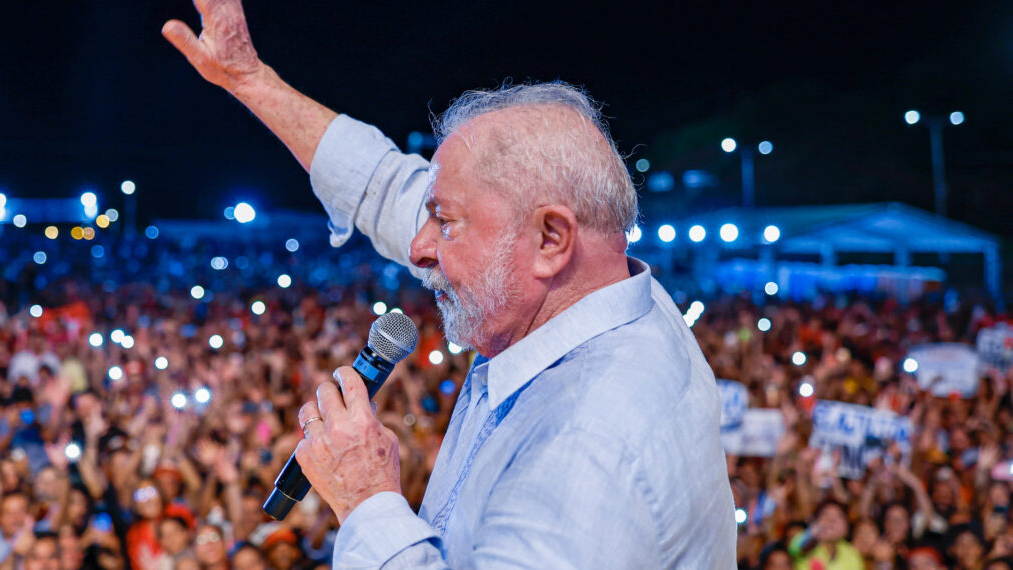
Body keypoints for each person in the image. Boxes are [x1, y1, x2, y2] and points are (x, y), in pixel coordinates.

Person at [163, 0, 735, 567]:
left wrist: (367, 501)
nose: (418, 246)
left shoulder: (586, 448)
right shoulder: (613, 288)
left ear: (551, 239)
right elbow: (384, 186)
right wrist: (251, 80)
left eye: (446, 221)